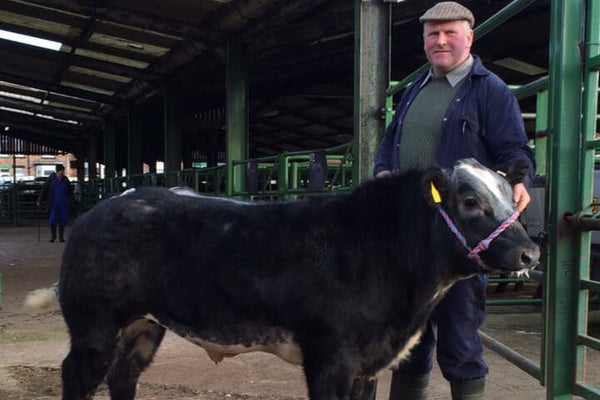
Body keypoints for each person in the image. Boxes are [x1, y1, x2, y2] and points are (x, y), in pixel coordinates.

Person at [373, 2, 535, 399]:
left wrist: (519, 178)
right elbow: (389, 144)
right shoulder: (415, 89)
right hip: (408, 239)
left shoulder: (488, 90)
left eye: (449, 32)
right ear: (424, 40)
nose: (440, 40)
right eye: (432, 33)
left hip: (458, 240)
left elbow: (514, 149)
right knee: (407, 338)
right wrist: (382, 172)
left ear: (469, 37)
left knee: (460, 339)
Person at [37, 164, 73, 243]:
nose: (62, 174)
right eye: (61, 172)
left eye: (63, 172)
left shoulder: (66, 179)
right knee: (52, 219)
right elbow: (44, 190)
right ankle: (53, 236)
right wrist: (40, 200)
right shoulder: (51, 179)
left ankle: (61, 237)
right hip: (54, 203)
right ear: (57, 172)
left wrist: (70, 200)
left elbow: (70, 191)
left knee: (62, 219)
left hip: (63, 203)